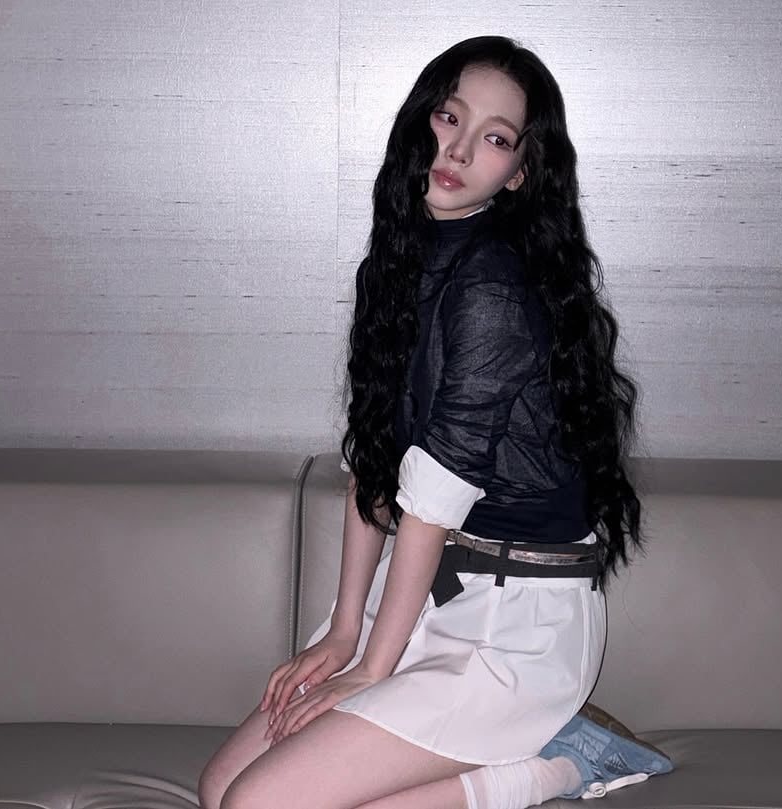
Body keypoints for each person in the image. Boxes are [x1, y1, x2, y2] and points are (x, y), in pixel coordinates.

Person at [198, 35, 671, 809]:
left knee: (259, 803)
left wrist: (371, 666)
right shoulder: (398, 260)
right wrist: (343, 630)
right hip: (428, 589)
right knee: (220, 789)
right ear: (420, 119)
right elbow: (375, 464)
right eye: (449, 117)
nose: (457, 149)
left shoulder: (495, 285)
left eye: (495, 138)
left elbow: (434, 496)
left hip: (515, 628)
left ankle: (562, 761)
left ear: (520, 172)